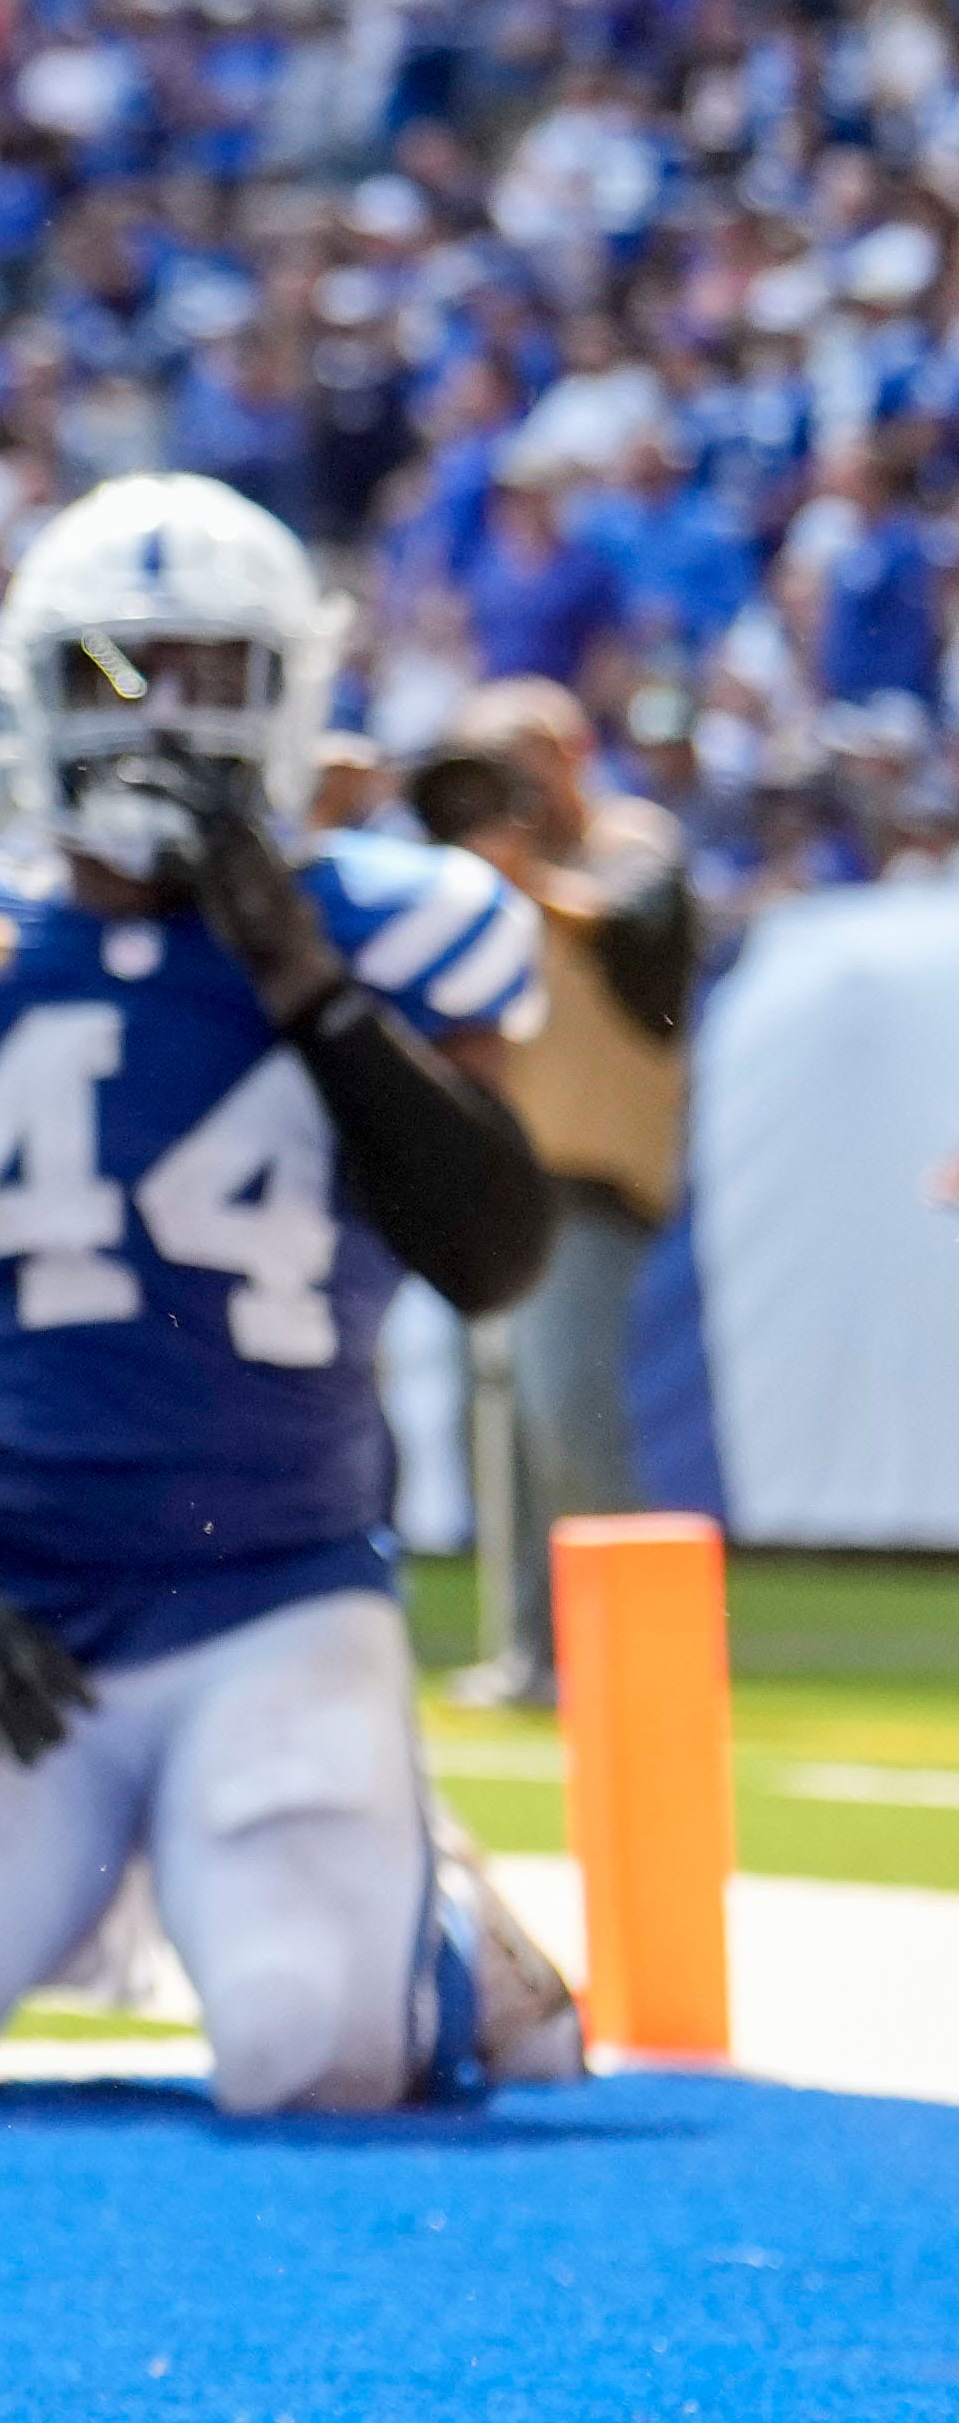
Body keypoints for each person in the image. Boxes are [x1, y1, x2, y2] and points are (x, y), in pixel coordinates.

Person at [0, 477, 585, 2113]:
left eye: (208, 674)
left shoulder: (401, 929)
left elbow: (495, 1259)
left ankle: (440, 1917)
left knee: (316, 2050)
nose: (160, 721)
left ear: (291, 697)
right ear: (32, 697)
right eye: (115, 676)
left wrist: (301, 979)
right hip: (13, 1611)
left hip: (278, 1600)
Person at [409, 677, 699, 1714]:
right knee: (509, 1433)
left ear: (572, 750)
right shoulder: (471, 884)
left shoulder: (630, 837)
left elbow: (629, 929)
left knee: (569, 1410)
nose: (512, 782)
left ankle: (643, 1653)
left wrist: (517, 872)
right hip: (500, 1172)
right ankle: (538, 1655)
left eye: (524, 754)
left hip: (594, 1175)